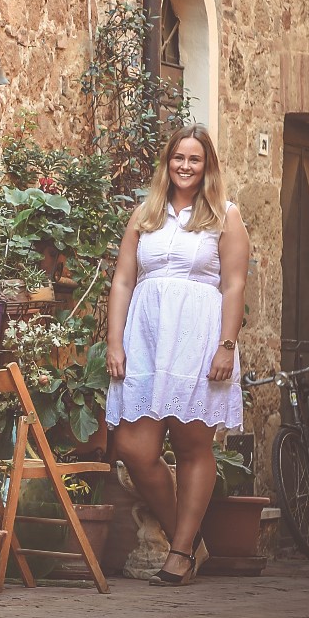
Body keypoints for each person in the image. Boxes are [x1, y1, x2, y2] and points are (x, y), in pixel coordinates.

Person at [104, 123, 250, 586]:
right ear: (167, 164)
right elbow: (123, 280)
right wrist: (114, 341)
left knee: (192, 444)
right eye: (178, 158)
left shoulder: (225, 215)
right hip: (146, 339)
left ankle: (181, 551)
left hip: (199, 339)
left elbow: (233, 285)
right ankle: (186, 540)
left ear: (207, 166)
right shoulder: (144, 215)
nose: (185, 166)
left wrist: (227, 345)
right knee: (134, 447)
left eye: (195, 159)